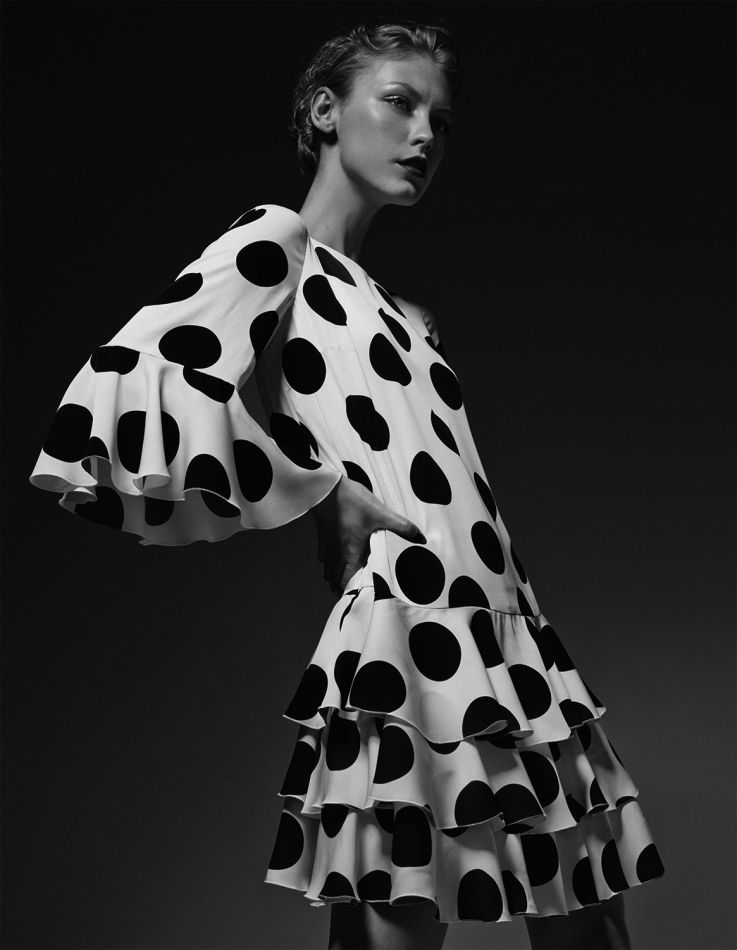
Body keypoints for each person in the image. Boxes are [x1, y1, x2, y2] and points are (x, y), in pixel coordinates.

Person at [28, 17, 665, 950]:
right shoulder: (277, 242)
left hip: (512, 630)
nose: (423, 136)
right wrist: (320, 493)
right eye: (398, 104)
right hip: (406, 632)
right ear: (325, 111)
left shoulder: (405, 313)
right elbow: (131, 380)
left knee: (592, 926)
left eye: (439, 121)